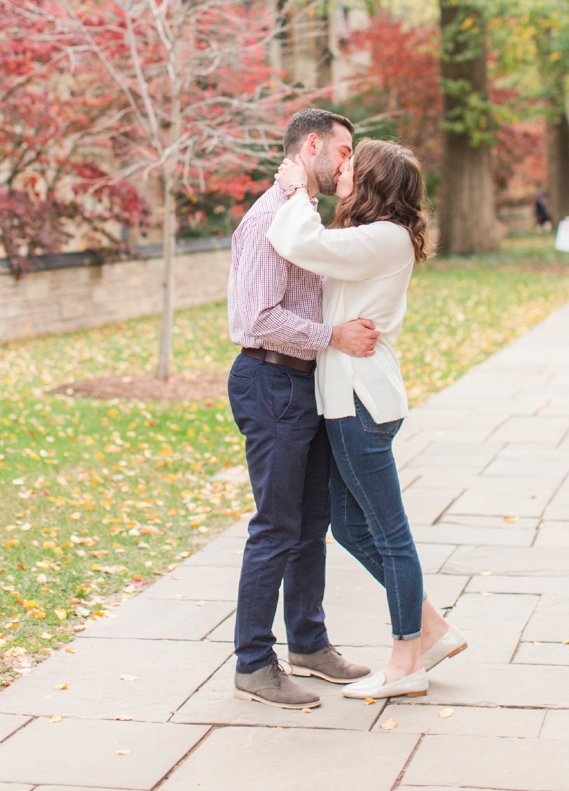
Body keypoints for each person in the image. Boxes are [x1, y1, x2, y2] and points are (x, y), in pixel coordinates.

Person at [269, 139, 468, 701]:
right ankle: (432, 629)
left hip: (362, 402)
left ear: (375, 182)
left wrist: (296, 190)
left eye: (352, 166)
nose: (341, 171)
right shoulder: (372, 238)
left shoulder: (383, 238)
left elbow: (297, 241)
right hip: (345, 397)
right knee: (351, 527)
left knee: (389, 534)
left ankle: (407, 662)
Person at [226, 108, 380, 711]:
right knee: (275, 526)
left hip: (302, 383)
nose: (350, 162)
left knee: (310, 523)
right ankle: (252, 662)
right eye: (344, 151)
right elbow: (258, 319)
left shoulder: (300, 215)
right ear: (311, 145)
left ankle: (309, 644)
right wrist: (333, 337)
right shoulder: (269, 219)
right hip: (269, 382)